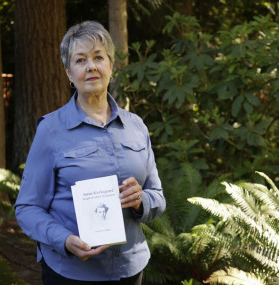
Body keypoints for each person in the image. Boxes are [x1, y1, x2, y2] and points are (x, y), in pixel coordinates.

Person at [15, 20, 166, 284]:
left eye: (98, 57)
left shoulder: (136, 126)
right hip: (71, 272)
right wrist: (63, 240)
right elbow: (28, 208)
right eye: (80, 60)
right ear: (69, 73)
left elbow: (158, 196)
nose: (91, 66)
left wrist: (142, 200)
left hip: (131, 268)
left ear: (111, 65)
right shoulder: (51, 130)